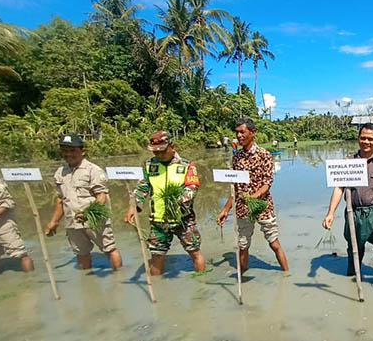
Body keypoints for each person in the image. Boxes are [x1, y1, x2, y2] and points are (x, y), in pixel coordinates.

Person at [123, 130, 205, 275]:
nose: (158, 155)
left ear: (172, 146)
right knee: (156, 255)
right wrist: (132, 207)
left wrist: (178, 200)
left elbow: (192, 188)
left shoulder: (187, 166)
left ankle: (202, 284)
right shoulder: (149, 165)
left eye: (162, 151)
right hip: (158, 220)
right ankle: (157, 288)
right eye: (155, 152)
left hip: (183, 219)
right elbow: (142, 188)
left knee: (194, 251)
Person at [322, 123, 373, 279]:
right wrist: (330, 213)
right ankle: (352, 279)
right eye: (363, 138)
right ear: (358, 139)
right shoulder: (348, 162)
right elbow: (339, 188)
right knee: (354, 249)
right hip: (354, 213)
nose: (366, 142)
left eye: (370, 139)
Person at [217, 118, 289, 272]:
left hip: (262, 205)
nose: (239, 135)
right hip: (243, 208)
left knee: (274, 243)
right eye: (237, 132)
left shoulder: (264, 155)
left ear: (252, 133)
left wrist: (255, 196)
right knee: (242, 245)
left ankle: (286, 275)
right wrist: (225, 210)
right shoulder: (236, 157)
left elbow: (267, 182)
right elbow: (235, 187)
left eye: (242, 132)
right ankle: (243, 278)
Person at [45, 134, 122, 270]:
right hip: (72, 222)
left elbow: (101, 196)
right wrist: (54, 221)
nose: (69, 154)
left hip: (94, 220)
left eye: (73, 150)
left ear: (82, 151)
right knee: (81, 253)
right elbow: (61, 199)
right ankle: (87, 284)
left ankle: (118, 281)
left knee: (109, 249)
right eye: (65, 150)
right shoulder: (60, 172)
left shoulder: (93, 170)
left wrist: (88, 214)